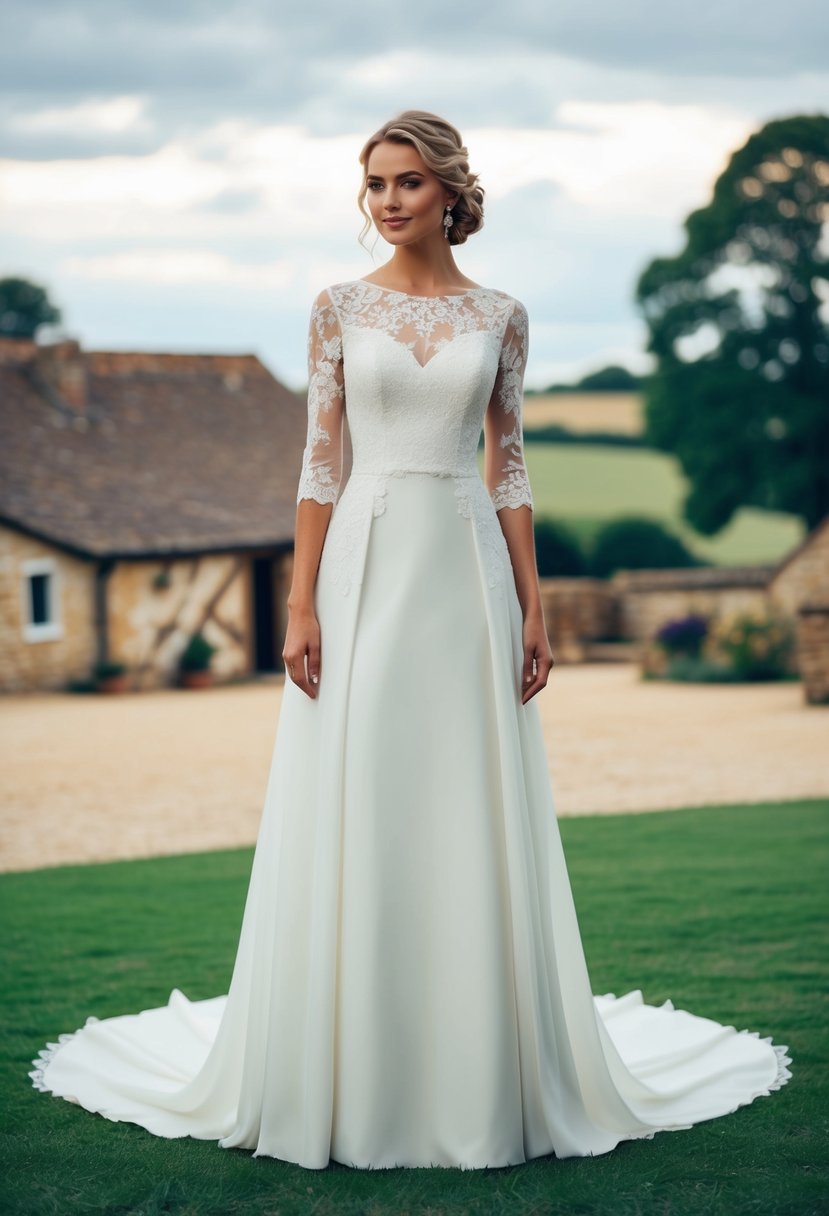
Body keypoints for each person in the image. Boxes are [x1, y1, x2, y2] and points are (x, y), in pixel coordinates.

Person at [30, 109, 791, 1171]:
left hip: (467, 571)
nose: (385, 200)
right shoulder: (337, 307)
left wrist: (531, 605)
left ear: (448, 193)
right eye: (373, 184)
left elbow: (511, 466)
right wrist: (299, 604)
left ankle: (484, 1065)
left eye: (404, 182)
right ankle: (356, 1061)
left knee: (465, 791)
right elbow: (318, 463)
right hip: (367, 567)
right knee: (366, 784)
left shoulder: (502, 315)